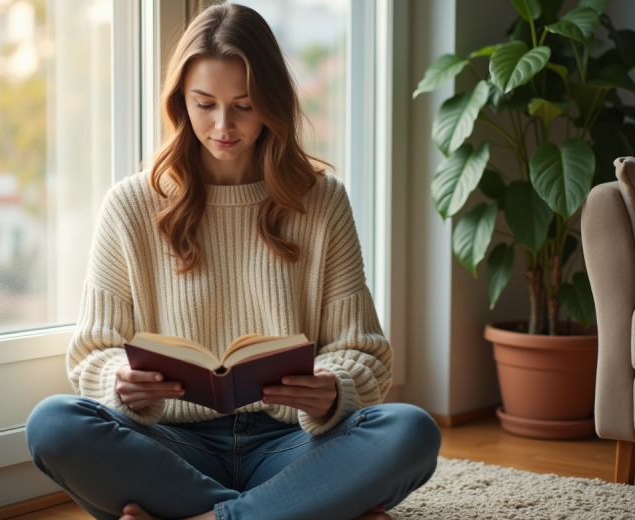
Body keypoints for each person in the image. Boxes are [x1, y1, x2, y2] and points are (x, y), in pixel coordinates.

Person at [25, 4, 440, 520]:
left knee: (412, 431)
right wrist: (119, 381)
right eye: (204, 104)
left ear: (272, 103)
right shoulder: (131, 204)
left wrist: (331, 390)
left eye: (243, 106)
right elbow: (92, 351)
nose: (223, 125)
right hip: (170, 445)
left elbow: (364, 351)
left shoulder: (322, 201)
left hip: (289, 446)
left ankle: (208, 516)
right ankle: (302, 511)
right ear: (181, 102)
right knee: (53, 424)